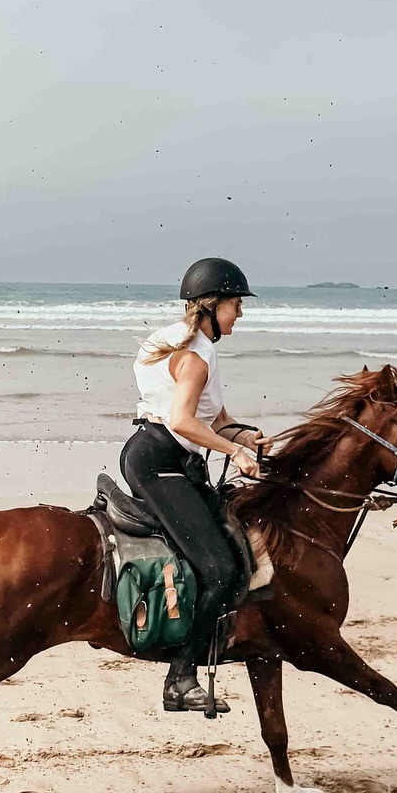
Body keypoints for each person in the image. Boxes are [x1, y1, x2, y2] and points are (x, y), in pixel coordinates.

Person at [120, 257, 265, 712]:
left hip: (164, 455)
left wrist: (245, 436)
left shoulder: (182, 343)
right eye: (236, 304)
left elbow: (212, 418)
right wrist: (234, 452)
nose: (240, 313)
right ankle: (181, 678)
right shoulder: (196, 358)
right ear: (213, 306)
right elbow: (182, 421)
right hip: (159, 462)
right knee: (219, 568)